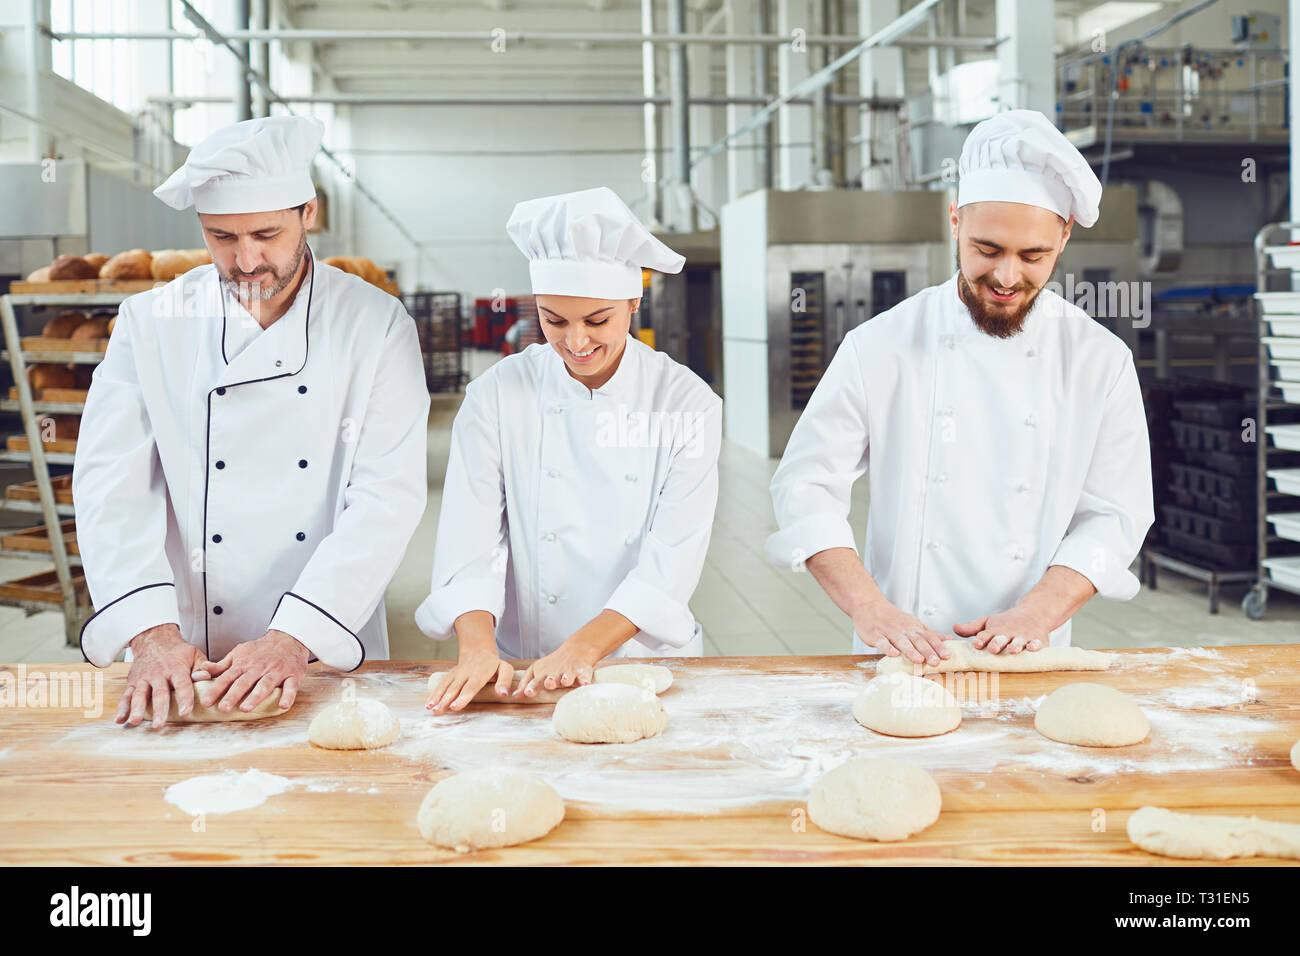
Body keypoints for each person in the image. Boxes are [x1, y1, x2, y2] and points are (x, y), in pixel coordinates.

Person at [74, 115, 429, 727]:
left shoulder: (375, 323)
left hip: (321, 636)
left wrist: (295, 636)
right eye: (221, 238)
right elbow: (111, 483)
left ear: (308, 213)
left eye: (266, 233)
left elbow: (386, 497)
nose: (245, 261)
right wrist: (150, 633)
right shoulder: (151, 320)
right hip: (184, 648)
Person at [765, 109, 1154, 666]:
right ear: (954, 223)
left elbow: (1115, 514)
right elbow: (806, 484)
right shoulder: (881, 345)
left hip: (1027, 649)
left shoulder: (1098, 360)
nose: (1006, 277)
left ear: (1064, 236)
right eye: (987, 250)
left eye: (1033, 256)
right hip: (900, 648)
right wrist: (866, 605)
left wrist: (1037, 614)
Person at [420, 187, 722, 711]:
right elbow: (469, 540)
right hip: (525, 665)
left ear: (634, 301)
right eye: (553, 320)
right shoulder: (497, 394)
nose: (576, 341)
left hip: (638, 661)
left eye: (597, 320)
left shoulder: (685, 402)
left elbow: (672, 557)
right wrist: (475, 647)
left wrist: (584, 648)